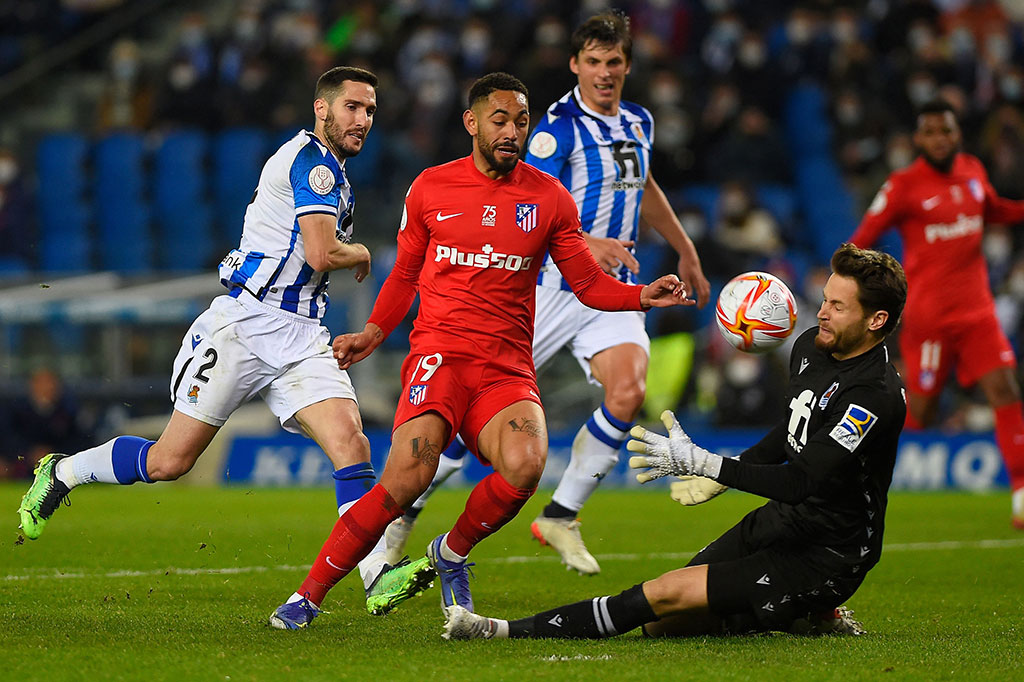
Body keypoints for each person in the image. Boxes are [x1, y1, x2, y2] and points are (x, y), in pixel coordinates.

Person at [266, 71, 691, 630]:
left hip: (504, 369)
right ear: (472, 123)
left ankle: (450, 553)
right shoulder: (431, 188)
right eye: (500, 120)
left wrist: (642, 295)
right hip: (438, 358)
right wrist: (373, 331)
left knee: (524, 467)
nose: (513, 131)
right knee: (406, 479)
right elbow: (405, 275)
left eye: (521, 120)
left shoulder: (549, 198)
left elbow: (587, 284)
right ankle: (309, 595)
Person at [18, 66, 433, 615]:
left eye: (371, 110)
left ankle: (377, 574)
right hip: (244, 327)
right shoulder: (312, 164)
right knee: (169, 462)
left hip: (304, 336)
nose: (362, 119)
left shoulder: (329, 169)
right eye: (352, 107)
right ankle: (64, 471)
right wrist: (366, 253)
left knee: (351, 445)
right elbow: (320, 253)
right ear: (321, 109)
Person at [382, 11, 711, 577]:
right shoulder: (555, 129)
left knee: (628, 391)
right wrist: (588, 239)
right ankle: (405, 509)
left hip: (612, 289)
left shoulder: (638, 121)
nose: (604, 73)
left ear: (627, 66)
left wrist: (684, 248)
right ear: (575, 65)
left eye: (614, 62)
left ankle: (561, 514)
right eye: (593, 62)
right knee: (469, 415)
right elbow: (520, 207)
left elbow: (644, 183)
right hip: (549, 287)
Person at [442, 243, 908, 641]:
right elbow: (790, 434)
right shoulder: (812, 346)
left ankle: (499, 630)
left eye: (838, 307)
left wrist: (706, 465)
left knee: (665, 595)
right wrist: (730, 473)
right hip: (783, 522)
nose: (821, 313)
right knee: (666, 622)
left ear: (876, 320)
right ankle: (802, 615)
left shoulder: (875, 397)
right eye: (825, 299)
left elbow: (802, 480)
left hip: (830, 553)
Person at [849, 99, 1024, 528]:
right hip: (930, 319)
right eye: (931, 132)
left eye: (946, 130)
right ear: (918, 138)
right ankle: (849, 471)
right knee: (920, 414)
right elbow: (864, 238)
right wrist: (846, 283)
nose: (940, 139)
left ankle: (1021, 491)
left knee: (1005, 388)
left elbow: (994, 209)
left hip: (977, 312)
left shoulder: (973, 171)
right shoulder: (903, 185)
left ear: (957, 132)